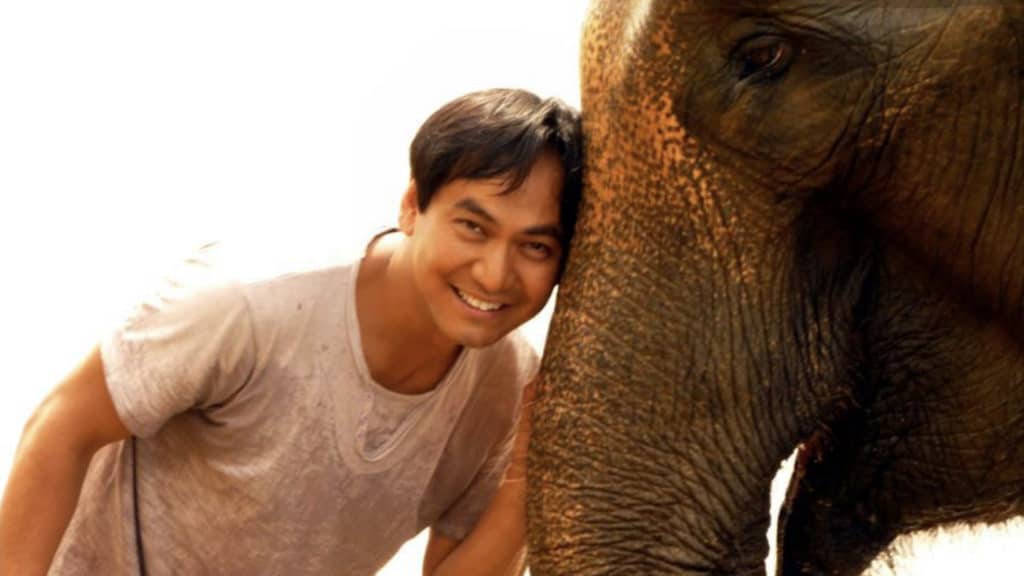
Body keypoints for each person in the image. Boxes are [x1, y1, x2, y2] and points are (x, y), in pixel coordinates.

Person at [0, 88, 582, 575]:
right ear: (412, 206)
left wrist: (527, 482)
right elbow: (63, 425)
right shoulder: (248, 299)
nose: (495, 273)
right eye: (473, 227)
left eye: (534, 246)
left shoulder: (508, 389)